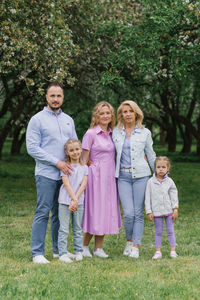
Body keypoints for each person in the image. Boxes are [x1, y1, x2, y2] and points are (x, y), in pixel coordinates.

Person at [26, 82, 77, 264]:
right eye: (52, 96)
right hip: (46, 173)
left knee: (59, 213)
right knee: (43, 211)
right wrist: (57, 163)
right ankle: (37, 252)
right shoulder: (37, 119)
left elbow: (74, 145)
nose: (56, 99)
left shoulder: (68, 120)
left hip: (65, 176)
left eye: (59, 96)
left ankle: (58, 250)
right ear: (46, 97)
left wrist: (73, 166)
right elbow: (32, 148)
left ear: (63, 98)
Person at [112, 100, 156, 259]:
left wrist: (158, 175)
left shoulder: (145, 133)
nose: (128, 114)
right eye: (125, 111)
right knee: (128, 213)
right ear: (121, 115)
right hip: (122, 177)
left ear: (136, 113)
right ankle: (129, 240)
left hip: (141, 176)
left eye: (131, 111)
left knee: (137, 212)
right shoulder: (115, 132)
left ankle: (135, 246)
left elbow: (151, 155)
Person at [81, 101, 122, 258]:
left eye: (108, 113)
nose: (105, 116)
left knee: (106, 210)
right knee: (95, 211)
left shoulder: (113, 133)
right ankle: (84, 246)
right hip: (95, 177)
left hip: (110, 177)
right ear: (96, 116)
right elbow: (83, 160)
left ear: (111, 115)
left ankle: (98, 248)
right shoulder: (90, 134)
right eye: (102, 113)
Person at [58, 139, 88, 263]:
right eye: (71, 150)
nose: (75, 152)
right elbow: (66, 184)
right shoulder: (66, 167)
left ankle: (78, 251)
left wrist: (76, 201)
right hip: (65, 201)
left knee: (77, 228)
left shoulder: (84, 167)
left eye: (77, 149)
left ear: (81, 150)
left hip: (79, 202)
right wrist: (73, 200)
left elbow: (83, 185)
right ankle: (63, 253)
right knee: (64, 228)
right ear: (67, 152)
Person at [145, 156, 179, 259]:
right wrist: (148, 211)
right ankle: (158, 251)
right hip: (156, 212)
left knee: (170, 231)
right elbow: (147, 197)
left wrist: (175, 209)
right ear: (155, 168)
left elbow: (174, 195)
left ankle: (173, 251)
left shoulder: (170, 182)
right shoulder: (150, 182)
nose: (161, 169)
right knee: (158, 232)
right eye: (158, 167)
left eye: (163, 167)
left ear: (168, 168)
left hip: (169, 211)